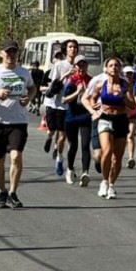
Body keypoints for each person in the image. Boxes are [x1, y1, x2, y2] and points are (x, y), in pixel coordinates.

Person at [0, 39, 36, 208]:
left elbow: (32, 88)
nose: (11, 55)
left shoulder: (24, 73)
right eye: (8, 52)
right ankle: (2, 190)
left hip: (18, 121)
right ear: (1, 53)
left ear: (18, 54)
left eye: (14, 52)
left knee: (16, 156)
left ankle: (13, 192)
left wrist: (29, 98)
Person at [85, 56, 136, 198]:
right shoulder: (100, 85)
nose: (114, 67)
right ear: (106, 69)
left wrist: (124, 97)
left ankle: (111, 184)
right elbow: (91, 99)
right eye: (111, 65)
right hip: (105, 119)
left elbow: (133, 105)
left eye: (116, 65)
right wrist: (94, 110)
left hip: (120, 119)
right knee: (107, 150)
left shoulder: (125, 85)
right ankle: (103, 182)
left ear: (119, 69)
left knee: (117, 158)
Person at [44, 40, 79, 177]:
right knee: (53, 130)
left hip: (69, 105)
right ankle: (49, 138)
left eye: (75, 47)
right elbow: (53, 84)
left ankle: (59, 158)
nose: (73, 49)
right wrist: (65, 75)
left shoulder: (79, 65)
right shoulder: (59, 65)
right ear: (66, 50)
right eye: (70, 47)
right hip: (56, 103)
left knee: (63, 136)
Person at [61, 56, 94, 187]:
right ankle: (69, 169)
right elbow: (64, 100)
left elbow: (95, 97)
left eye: (84, 65)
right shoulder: (71, 80)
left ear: (87, 66)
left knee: (85, 145)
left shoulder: (91, 81)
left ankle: (85, 173)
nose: (81, 68)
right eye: (79, 66)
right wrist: (77, 92)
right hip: (71, 117)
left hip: (85, 116)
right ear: (75, 67)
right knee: (73, 145)